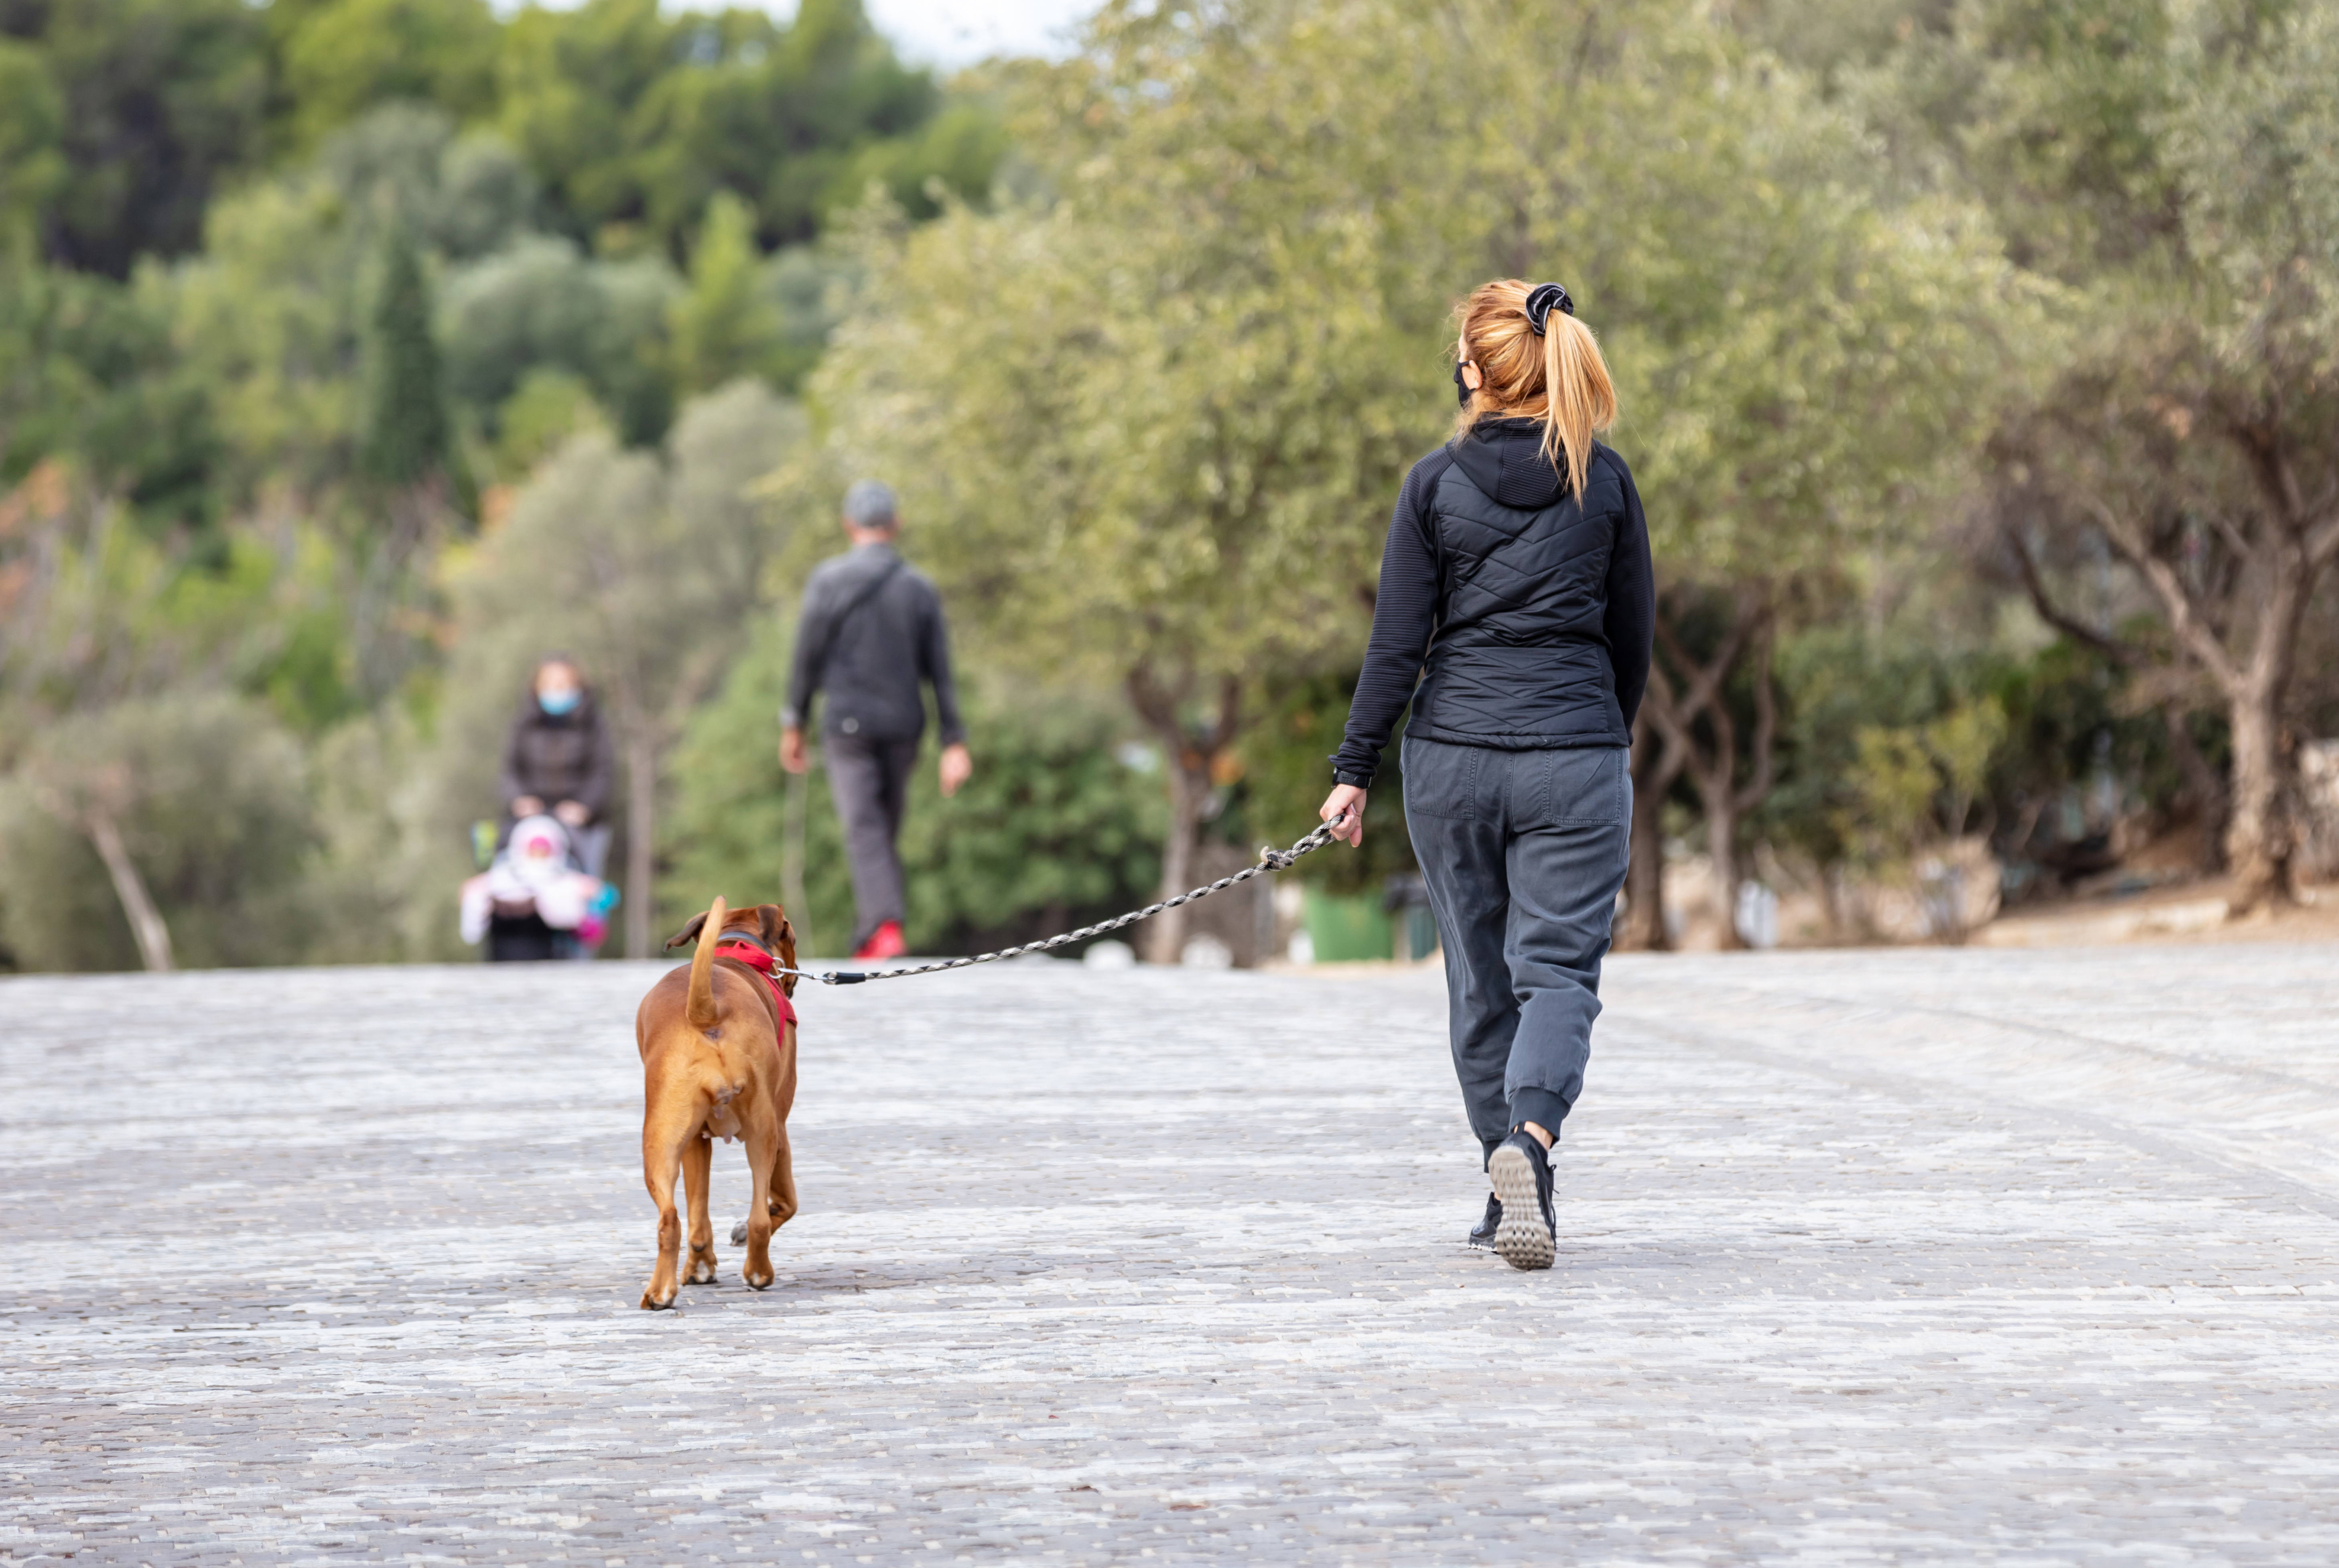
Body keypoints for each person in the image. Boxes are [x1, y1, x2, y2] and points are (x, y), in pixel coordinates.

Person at [1318, 280, 1653, 1273]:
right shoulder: (1607, 480)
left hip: (1451, 759)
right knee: (1554, 974)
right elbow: (1629, 636)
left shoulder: (1431, 484)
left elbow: (1394, 646)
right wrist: (1599, 734)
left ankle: (1504, 1179)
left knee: (1476, 982)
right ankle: (1530, 1148)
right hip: (1573, 756)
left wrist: (1351, 773)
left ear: (1474, 370)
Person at [780, 479, 972, 961]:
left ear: (849, 525)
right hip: (906, 724)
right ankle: (872, 930)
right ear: (895, 524)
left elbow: (806, 657)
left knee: (865, 825)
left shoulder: (828, 580)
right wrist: (954, 740)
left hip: (847, 724)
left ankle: (884, 925)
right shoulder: (919, 587)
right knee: (882, 825)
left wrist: (794, 722)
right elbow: (941, 673)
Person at [501, 657, 615, 879]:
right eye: (550, 684)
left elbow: (603, 772)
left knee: (586, 885)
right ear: (537, 687)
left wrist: (584, 807)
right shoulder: (522, 723)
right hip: (530, 818)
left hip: (582, 826)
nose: (557, 690)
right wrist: (519, 800)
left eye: (564, 684)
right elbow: (509, 770)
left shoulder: (594, 724)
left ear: (578, 686)